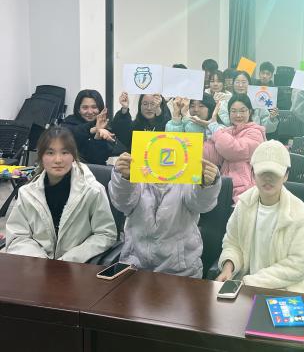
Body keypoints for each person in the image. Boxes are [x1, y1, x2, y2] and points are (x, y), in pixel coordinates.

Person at [216, 140, 304, 294]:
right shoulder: (243, 205)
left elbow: (298, 266)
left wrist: (251, 282)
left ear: (286, 175)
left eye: (275, 173)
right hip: (251, 285)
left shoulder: (299, 213)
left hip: (294, 285)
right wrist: (228, 266)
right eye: (262, 172)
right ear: (253, 174)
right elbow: (233, 242)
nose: (268, 178)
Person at [5, 127, 116, 262]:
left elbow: (105, 234)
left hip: (76, 267)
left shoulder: (93, 191)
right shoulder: (27, 193)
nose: (58, 160)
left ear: (73, 156)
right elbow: (17, 236)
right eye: (50, 153)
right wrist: (42, 262)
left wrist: (68, 261)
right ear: (41, 157)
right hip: (36, 267)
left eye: (65, 152)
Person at [109, 153, 221, 278]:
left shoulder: (188, 176)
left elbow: (201, 204)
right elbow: (122, 203)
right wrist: (124, 179)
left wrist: (206, 184)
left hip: (181, 271)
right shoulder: (137, 173)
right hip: (135, 266)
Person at [205, 93, 266, 203]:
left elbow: (235, 150)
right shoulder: (227, 132)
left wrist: (216, 129)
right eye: (233, 111)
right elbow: (212, 155)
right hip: (224, 187)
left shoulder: (255, 133)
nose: (238, 115)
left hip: (244, 192)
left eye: (242, 111)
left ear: (250, 112)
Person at [63, 89, 118, 165]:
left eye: (94, 107)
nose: (90, 112)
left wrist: (98, 136)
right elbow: (71, 134)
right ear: (78, 110)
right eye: (85, 107)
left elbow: (97, 159)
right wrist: (94, 129)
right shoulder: (69, 123)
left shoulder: (105, 127)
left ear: (100, 109)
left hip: (96, 170)